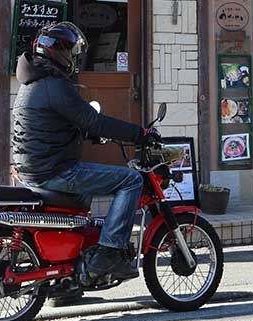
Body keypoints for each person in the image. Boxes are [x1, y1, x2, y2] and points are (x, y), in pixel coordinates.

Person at [11, 22, 154, 287]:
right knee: (131, 180)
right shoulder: (54, 85)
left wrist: (87, 135)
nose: (72, 57)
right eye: (68, 50)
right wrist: (140, 134)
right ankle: (108, 253)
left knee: (81, 212)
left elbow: (54, 126)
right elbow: (94, 120)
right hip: (54, 171)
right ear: (55, 52)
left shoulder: (33, 81)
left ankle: (65, 285)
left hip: (35, 169)